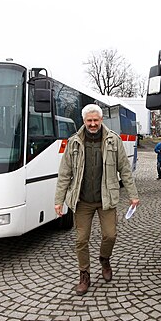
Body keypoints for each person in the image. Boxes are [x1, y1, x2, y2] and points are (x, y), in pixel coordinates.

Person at [54, 104, 139, 296]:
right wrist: (59, 200)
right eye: (89, 120)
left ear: (101, 120)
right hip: (82, 201)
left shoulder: (113, 141)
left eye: (95, 120)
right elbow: (64, 174)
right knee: (81, 239)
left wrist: (133, 195)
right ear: (84, 121)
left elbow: (125, 169)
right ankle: (84, 275)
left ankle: (104, 259)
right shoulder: (74, 142)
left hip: (106, 199)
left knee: (110, 235)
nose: (92, 124)